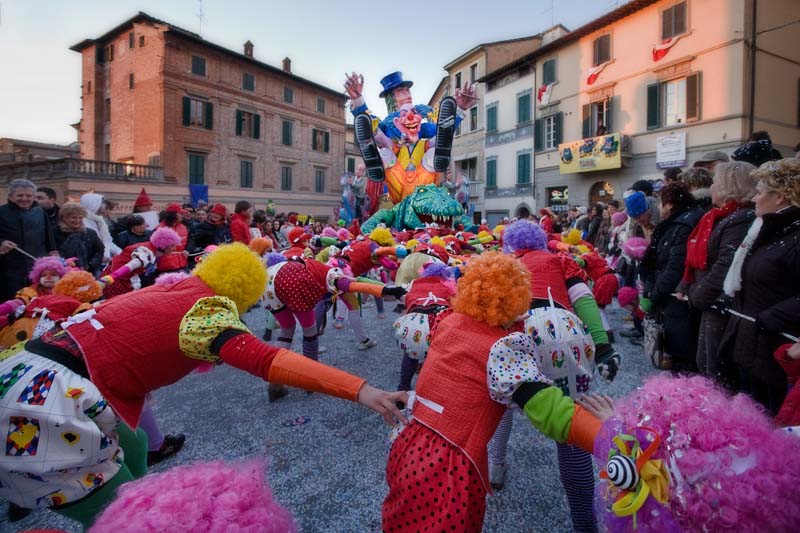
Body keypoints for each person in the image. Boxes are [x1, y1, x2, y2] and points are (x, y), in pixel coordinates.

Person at [0, 243, 407, 528]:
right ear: (243, 291)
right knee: (125, 516)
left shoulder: (173, 288)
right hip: (45, 402)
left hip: (21, 367)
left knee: (137, 442)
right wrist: (362, 390)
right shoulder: (206, 312)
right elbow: (270, 360)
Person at [383, 253, 606, 532]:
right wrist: (610, 436)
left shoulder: (449, 322)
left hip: (407, 445)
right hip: (447, 466)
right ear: (517, 300)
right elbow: (554, 414)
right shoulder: (502, 350)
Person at [719, 158, 800, 415]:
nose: (754, 198)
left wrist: (769, 319)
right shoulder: (768, 231)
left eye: (760, 192)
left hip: (777, 352)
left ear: (781, 197)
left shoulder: (793, 237)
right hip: (754, 345)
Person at [676, 161, 757, 381]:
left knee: (714, 368)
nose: (711, 188)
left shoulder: (739, 219)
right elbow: (696, 260)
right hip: (710, 299)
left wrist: (697, 295)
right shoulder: (720, 216)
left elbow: (725, 264)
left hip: (718, 302)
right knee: (706, 362)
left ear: (730, 187)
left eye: (716, 183)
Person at [640, 182, 704, 371]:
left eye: (661, 203)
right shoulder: (678, 222)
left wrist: (654, 295)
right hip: (672, 296)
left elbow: (674, 267)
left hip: (678, 300)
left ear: (670, 204)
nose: (658, 208)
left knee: (681, 354)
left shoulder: (683, 224)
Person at [0, 179, 57, 301]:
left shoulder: (40, 212)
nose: (24, 199)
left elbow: (49, 237)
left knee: (36, 301)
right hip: (8, 269)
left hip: (36, 267)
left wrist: (53, 252)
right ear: (10, 196)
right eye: (20, 195)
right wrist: (1, 243)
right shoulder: (1, 212)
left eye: (28, 195)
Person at [53, 201, 105, 275]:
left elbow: (100, 251)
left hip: (87, 273)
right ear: (64, 218)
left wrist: (91, 265)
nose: (77, 221)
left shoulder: (90, 233)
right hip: (61, 272)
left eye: (80, 217)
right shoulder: (55, 232)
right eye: (73, 217)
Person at [80, 192, 120, 263]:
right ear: (92, 204)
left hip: (105, 261)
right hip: (94, 263)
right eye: (100, 203)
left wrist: (120, 252)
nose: (102, 206)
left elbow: (107, 241)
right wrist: (100, 258)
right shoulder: (83, 222)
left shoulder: (99, 221)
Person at [157, 203, 189, 272]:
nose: (182, 215)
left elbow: (188, 241)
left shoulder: (183, 227)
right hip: (167, 266)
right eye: (180, 213)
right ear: (173, 214)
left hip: (182, 263)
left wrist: (187, 249)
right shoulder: (160, 228)